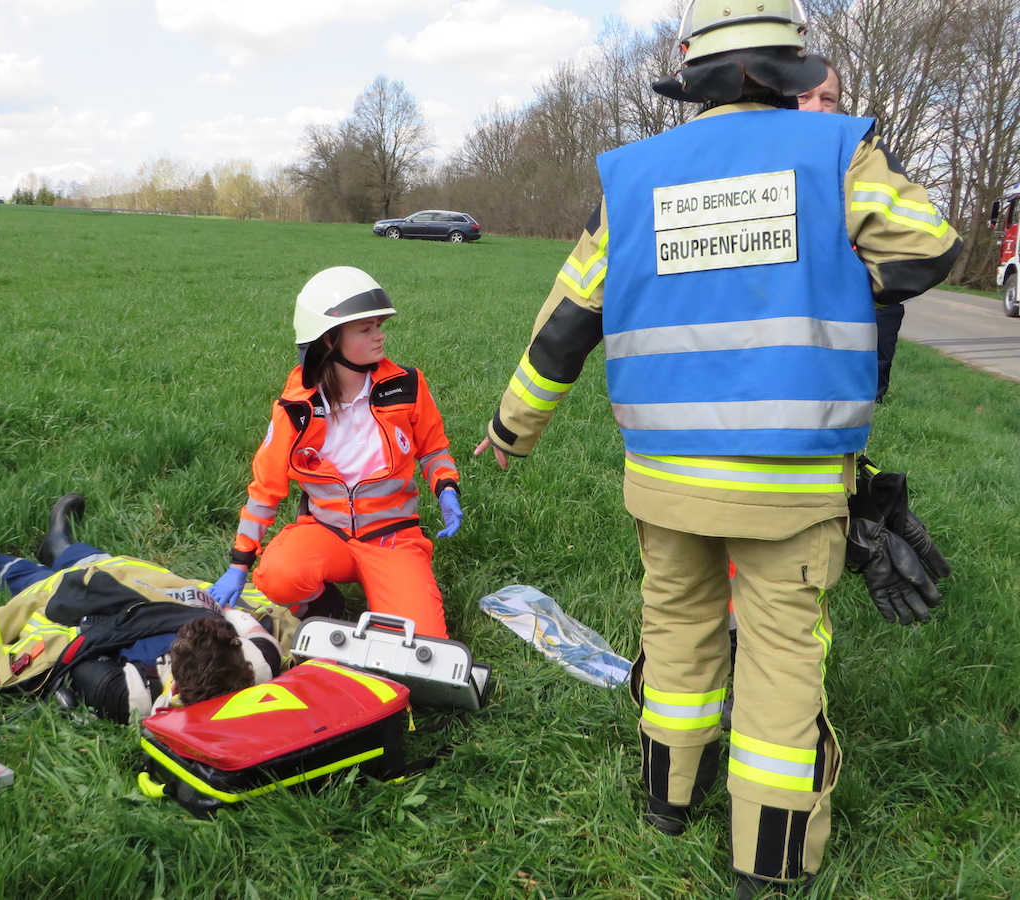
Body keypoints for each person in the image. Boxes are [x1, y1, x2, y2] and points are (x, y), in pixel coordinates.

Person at [475, 1, 961, 896]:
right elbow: (928, 247)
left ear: (691, 65)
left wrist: (513, 424)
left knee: (675, 631)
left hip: (665, 478)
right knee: (780, 662)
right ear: (789, 62)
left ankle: (667, 801)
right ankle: (767, 863)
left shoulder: (632, 176)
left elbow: (566, 323)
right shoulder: (835, 152)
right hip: (791, 482)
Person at [208, 266, 463, 640]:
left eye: (378, 325)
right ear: (328, 340)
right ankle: (324, 605)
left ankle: (393, 587)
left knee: (424, 640)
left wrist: (446, 488)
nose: (380, 335)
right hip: (326, 533)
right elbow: (265, 489)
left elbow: (433, 449)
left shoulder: (407, 386)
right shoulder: (296, 409)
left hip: (392, 537)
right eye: (366, 329)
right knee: (277, 575)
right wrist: (239, 564)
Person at [0, 493, 295, 723]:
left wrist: (93, 613)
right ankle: (59, 545)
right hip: (159, 598)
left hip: (110, 616)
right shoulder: (262, 659)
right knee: (114, 569)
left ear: (174, 680)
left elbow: (82, 653)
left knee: (59, 587)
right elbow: (241, 620)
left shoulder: (128, 694)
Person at [797, 56, 906, 401]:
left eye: (827, 99)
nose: (817, 108)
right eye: (803, 97)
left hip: (858, 296)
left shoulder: (861, 157)